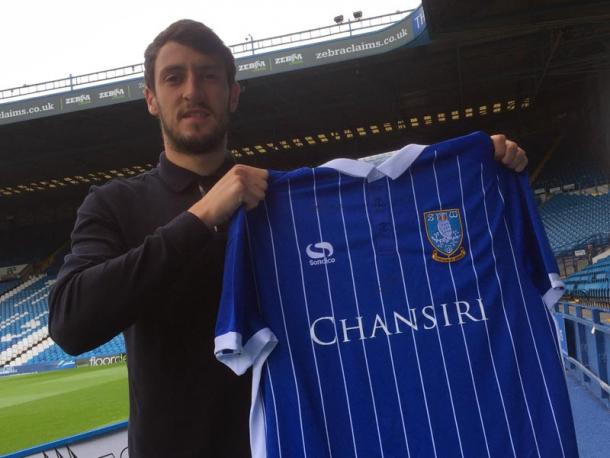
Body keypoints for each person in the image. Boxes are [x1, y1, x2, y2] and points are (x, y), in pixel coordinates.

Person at [49, 19, 528, 458]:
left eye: (208, 76)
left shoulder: (286, 201)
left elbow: (387, 228)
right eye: (174, 77)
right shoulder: (112, 204)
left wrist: (475, 173)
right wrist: (201, 217)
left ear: (233, 93)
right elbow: (72, 323)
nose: (192, 90)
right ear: (151, 97)